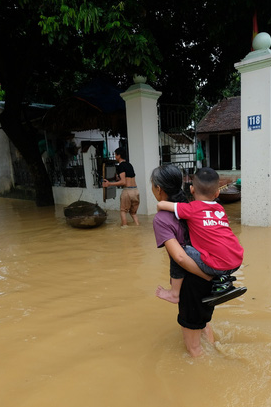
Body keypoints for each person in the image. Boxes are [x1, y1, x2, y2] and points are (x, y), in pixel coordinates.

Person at [151, 164, 216, 357]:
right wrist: (210, 276)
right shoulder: (191, 207)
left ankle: (209, 382)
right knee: (203, 325)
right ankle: (217, 352)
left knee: (193, 348)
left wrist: (204, 276)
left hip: (193, 281)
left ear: (158, 189)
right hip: (208, 269)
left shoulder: (162, 219)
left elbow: (179, 257)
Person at [156, 167, 245, 305]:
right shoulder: (220, 209)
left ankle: (174, 293)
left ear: (192, 190)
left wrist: (159, 206)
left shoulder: (191, 208)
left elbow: (162, 204)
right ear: (217, 193)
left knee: (179, 251)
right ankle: (223, 280)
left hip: (217, 265)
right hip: (236, 260)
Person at [102, 147, 140, 227]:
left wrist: (109, 184)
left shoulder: (121, 166)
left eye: (115, 155)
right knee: (133, 213)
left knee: (123, 211)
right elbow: (127, 178)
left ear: (119, 155)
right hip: (136, 191)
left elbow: (123, 182)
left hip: (127, 191)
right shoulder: (129, 165)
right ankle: (137, 226)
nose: (115, 157)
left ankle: (124, 229)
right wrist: (118, 178)